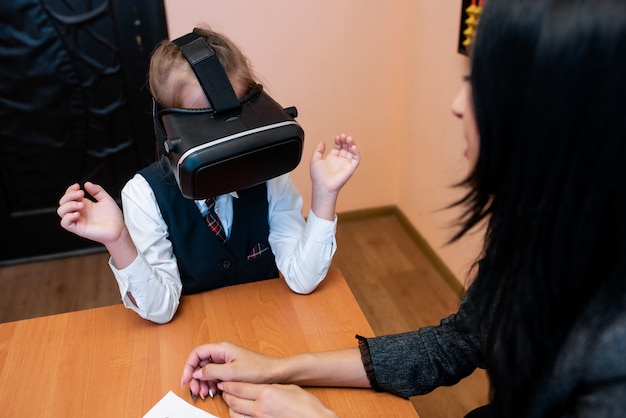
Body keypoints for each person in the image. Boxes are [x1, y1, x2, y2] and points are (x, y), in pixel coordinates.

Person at [179, 0, 626, 417]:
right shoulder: (539, 239)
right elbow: (455, 344)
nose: (456, 106)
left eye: (478, 84)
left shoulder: (612, 362)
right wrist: (277, 367)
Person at [57, 27, 360, 324]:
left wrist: (324, 195)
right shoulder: (144, 195)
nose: (225, 140)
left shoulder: (269, 177)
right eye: (207, 126)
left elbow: (302, 279)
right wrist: (119, 240)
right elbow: (160, 310)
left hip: (264, 325)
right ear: (170, 128)